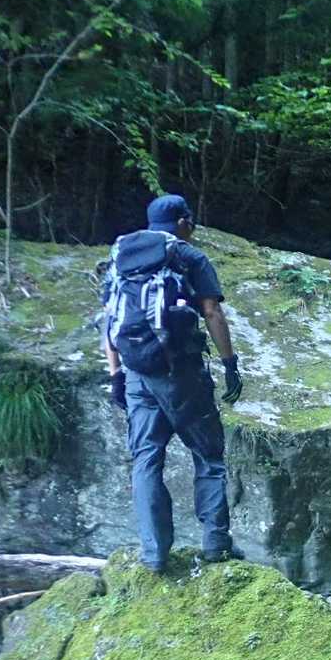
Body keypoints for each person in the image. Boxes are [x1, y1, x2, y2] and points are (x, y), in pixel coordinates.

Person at [101, 193, 244, 572]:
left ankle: (154, 554)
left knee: (146, 458)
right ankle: (216, 543)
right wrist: (230, 364)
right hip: (182, 372)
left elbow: (109, 318)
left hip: (137, 372)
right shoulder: (188, 256)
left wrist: (116, 374)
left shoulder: (121, 257)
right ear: (183, 222)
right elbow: (211, 311)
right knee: (208, 454)